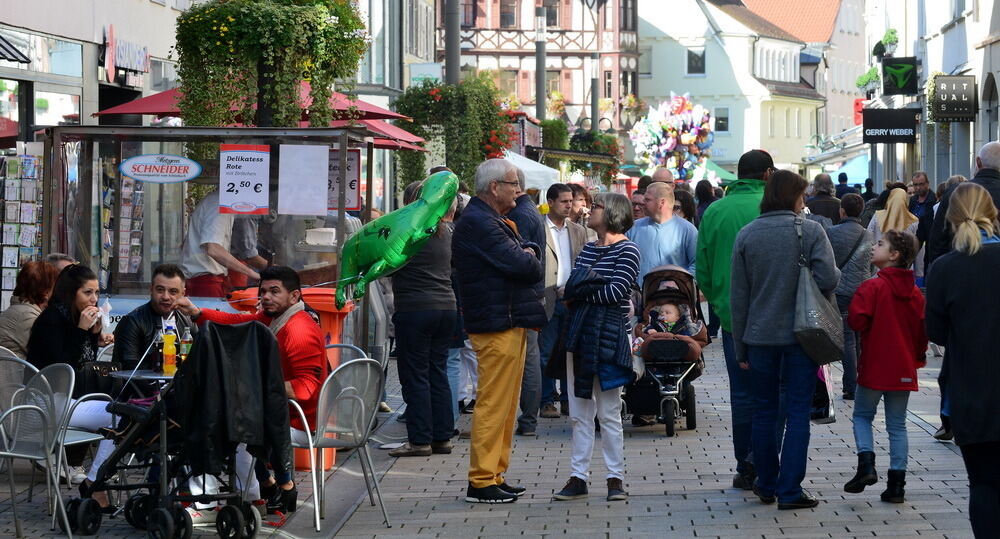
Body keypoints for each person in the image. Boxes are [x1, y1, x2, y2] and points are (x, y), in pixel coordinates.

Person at [176, 266, 326, 513]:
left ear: (295, 297)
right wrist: (197, 312)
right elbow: (238, 322)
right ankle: (262, 487)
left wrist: (254, 391)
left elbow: (306, 387)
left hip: (301, 420)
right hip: (280, 412)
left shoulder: (298, 329)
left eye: (274, 291)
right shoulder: (274, 317)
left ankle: (215, 501)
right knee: (234, 415)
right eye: (263, 291)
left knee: (227, 424)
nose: (266, 297)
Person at [730, 170, 840, 510]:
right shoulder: (810, 231)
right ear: (794, 196)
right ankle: (790, 490)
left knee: (763, 411)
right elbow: (827, 277)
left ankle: (765, 482)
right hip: (801, 337)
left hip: (760, 337)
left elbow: (739, 296)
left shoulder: (747, 235)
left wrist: (740, 347)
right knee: (796, 412)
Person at [452, 158, 545, 503]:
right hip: (495, 323)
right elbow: (525, 265)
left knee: (506, 404)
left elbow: (525, 260)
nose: (518, 192)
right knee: (494, 403)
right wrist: (529, 252)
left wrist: (527, 252)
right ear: (494, 187)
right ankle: (481, 480)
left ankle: (494, 473)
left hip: (506, 319)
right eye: (513, 185)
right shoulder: (480, 222)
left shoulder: (488, 219)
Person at [549, 193, 639, 503]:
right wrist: (586, 287)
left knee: (610, 412)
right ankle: (578, 477)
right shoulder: (588, 247)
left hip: (611, 336)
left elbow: (617, 291)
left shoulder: (628, 249)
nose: (590, 210)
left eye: (597, 206)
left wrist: (584, 288)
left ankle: (616, 479)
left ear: (612, 213)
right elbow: (571, 287)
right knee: (579, 412)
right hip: (579, 334)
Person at [695, 149, 773, 491]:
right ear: (768, 174)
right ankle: (766, 459)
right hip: (774, 316)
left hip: (732, 318)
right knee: (772, 394)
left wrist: (719, 301)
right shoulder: (776, 208)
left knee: (741, 394)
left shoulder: (716, 210)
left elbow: (704, 266)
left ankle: (745, 464)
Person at [926, 182, 1000, 536]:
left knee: (983, 485)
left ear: (950, 220)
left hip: (972, 394)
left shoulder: (945, 268)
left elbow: (937, 333)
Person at [845, 229, 926, 503]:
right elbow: (920, 333)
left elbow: (856, 321)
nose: (873, 247)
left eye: (880, 244)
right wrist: (918, 358)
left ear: (894, 254)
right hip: (903, 367)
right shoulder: (915, 293)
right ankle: (897, 485)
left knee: (862, 415)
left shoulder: (872, 286)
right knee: (897, 425)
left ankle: (866, 463)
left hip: (875, 365)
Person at [27, 265, 116, 511]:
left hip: (70, 399)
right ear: (70, 292)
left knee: (128, 414)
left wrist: (93, 336)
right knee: (120, 416)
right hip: (46, 402)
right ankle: (95, 482)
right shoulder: (52, 319)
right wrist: (82, 332)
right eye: (88, 293)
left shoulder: (76, 317)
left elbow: (82, 365)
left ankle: (95, 479)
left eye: (97, 293)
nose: (94, 299)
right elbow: (62, 370)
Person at [387, 181, 459, 456]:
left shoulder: (408, 230)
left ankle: (419, 440)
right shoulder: (445, 231)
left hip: (415, 309)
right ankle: (442, 437)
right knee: (437, 371)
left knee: (415, 375)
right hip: (446, 308)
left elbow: (388, 264)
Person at [538, 184, 587, 421]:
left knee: (571, 351)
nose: (569, 205)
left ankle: (569, 399)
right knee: (546, 351)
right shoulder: (539, 228)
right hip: (547, 297)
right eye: (564, 201)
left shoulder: (577, 230)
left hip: (572, 299)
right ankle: (547, 400)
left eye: (571, 201)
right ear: (550, 201)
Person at [507, 170, 547, 438]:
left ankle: (528, 419)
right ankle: (529, 419)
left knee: (529, 359)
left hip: (525, 294)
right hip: (533, 292)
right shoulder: (529, 209)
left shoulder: (520, 213)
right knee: (530, 358)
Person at [826, 194, 873, 400]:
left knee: (847, 338)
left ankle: (850, 385)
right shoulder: (868, 235)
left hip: (841, 291)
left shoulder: (831, 233)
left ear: (842, 211)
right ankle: (862, 381)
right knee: (860, 337)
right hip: (863, 291)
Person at [113, 264, 198, 373]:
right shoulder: (132, 322)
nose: (166, 297)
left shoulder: (189, 321)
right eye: (160, 290)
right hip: (142, 388)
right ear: (151, 289)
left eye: (173, 291)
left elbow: (201, 359)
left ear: (183, 294)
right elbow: (129, 369)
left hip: (179, 387)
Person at [927, 142, 1000, 268]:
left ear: (978, 162)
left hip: (956, 269)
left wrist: (941, 269)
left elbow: (937, 241)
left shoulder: (956, 192)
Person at [180, 190, 260, 297]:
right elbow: (213, 249)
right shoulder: (220, 203)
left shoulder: (219, 201)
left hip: (206, 278)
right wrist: (253, 274)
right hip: (205, 281)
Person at [627, 182, 697, 282]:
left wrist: (680, 283)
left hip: (675, 295)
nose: (643, 203)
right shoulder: (633, 228)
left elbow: (697, 264)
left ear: (662, 202)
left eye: (647, 199)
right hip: (641, 295)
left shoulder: (687, 230)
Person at [0, 261, 59, 359]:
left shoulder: (20, 310)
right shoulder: (27, 316)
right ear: (46, 292)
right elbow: (50, 355)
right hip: (18, 373)